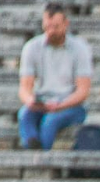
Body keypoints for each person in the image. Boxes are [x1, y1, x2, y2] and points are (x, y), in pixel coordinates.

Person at [17, 2, 92, 150]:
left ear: (66, 24)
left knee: (50, 122)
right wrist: (31, 101)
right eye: (47, 27)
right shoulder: (31, 47)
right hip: (42, 103)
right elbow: (24, 88)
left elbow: (83, 91)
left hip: (71, 105)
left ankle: (39, 157)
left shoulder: (80, 49)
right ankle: (33, 147)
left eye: (56, 27)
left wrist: (60, 106)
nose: (51, 31)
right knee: (24, 114)